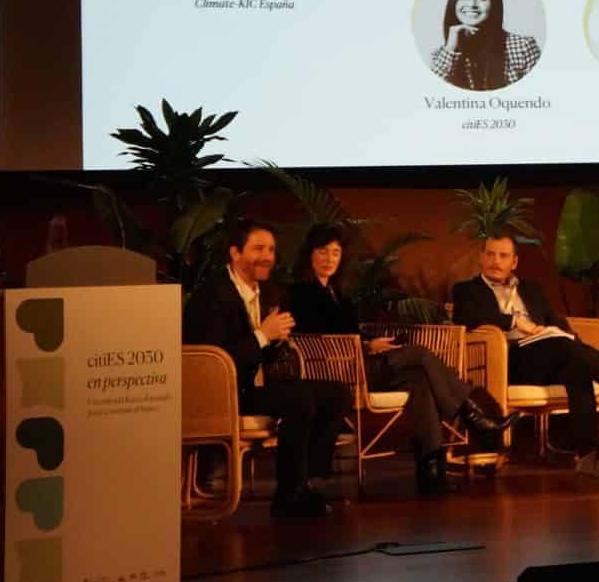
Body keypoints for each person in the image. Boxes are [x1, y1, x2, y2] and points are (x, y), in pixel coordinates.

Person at [285, 224, 508, 495]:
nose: (329, 259)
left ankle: (431, 473)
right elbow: (313, 337)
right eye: (322, 252)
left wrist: (373, 342)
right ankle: (471, 413)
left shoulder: (337, 292)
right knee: (420, 354)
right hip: (335, 372)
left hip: (362, 363)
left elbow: (351, 331)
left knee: (420, 379)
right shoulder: (301, 293)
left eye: (335, 253)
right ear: (309, 254)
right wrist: (365, 346)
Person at [183, 220, 353, 517]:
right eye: (258, 249)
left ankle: (306, 480)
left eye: (271, 250)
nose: (267, 257)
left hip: (253, 387)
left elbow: (264, 353)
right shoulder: (212, 296)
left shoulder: (270, 293)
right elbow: (212, 362)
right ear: (235, 253)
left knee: (337, 393)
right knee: (299, 399)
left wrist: (277, 341)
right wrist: (263, 335)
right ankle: (289, 496)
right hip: (222, 393)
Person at [451, 234, 599, 478]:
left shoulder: (531, 289)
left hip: (545, 354)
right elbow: (467, 317)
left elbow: (552, 320)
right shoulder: (466, 290)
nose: (496, 261)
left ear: (514, 262)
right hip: (507, 360)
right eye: (490, 254)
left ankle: (588, 457)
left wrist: (564, 334)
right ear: (481, 258)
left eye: (503, 256)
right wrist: (515, 322)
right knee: (563, 348)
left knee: (575, 366)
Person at [429, 0, 542, 91]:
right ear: (454, 2)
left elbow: (536, 92)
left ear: (494, 4)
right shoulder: (441, 55)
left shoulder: (522, 47)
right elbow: (432, 90)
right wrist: (450, 47)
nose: (472, 4)